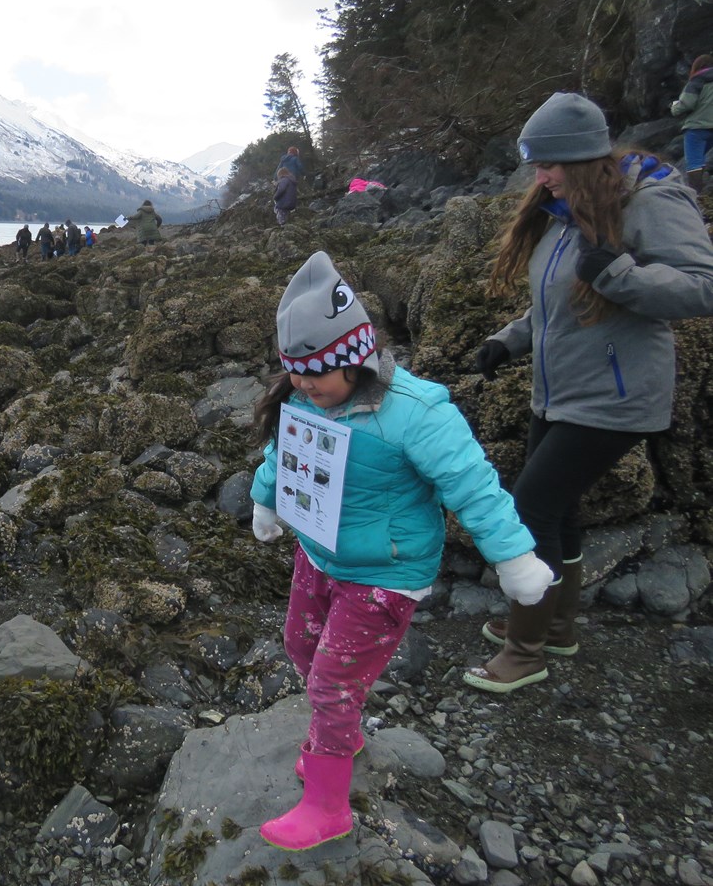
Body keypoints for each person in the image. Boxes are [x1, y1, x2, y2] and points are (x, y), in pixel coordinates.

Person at [250, 251, 551, 851]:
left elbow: (473, 484)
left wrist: (513, 557)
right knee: (300, 644)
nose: (305, 385)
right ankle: (342, 731)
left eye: (316, 372)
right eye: (296, 373)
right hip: (319, 554)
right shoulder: (306, 398)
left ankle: (328, 804)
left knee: (333, 681)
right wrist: (265, 500)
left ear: (355, 359)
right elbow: (283, 455)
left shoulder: (416, 414)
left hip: (386, 572)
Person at [464, 91, 713, 693]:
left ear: (579, 158)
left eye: (547, 165)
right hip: (559, 392)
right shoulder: (562, 208)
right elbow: (556, 305)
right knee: (559, 513)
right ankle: (555, 625)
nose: (538, 177)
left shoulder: (647, 202)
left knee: (529, 510)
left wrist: (617, 273)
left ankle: (526, 650)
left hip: (614, 398)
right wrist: (508, 341)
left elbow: (701, 287)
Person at [670, 54, 713, 193]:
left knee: (694, 163)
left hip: (697, 128)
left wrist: (674, 106)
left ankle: (697, 197)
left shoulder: (697, 81)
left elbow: (686, 104)